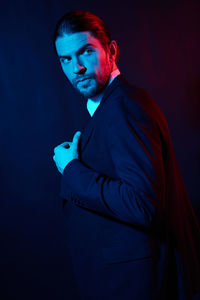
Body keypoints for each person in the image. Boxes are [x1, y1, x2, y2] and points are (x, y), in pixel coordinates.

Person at [52, 10, 200, 300]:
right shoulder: (112, 107)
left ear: (111, 50)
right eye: (66, 60)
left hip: (138, 285)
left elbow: (142, 204)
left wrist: (71, 169)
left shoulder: (124, 107)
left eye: (85, 52)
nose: (77, 68)